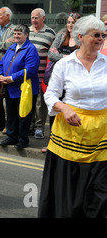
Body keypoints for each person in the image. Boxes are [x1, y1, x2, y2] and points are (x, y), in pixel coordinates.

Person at [39, 15, 107, 218]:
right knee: (71, 200)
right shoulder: (65, 65)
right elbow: (50, 94)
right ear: (80, 36)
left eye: (103, 35)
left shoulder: (106, 63)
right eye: (96, 35)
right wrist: (65, 108)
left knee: (100, 196)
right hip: (71, 136)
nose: (101, 39)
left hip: (101, 135)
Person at [0, 24, 40, 150]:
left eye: (19, 34)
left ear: (26, 35)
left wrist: (11, 78)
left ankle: (23, 139)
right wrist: (0, 75)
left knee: (23, 115)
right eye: (15, 34)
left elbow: (31, 70)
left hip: (24, 89)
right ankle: (12, 137)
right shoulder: (11, 47)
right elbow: (1, 64)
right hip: (10, 88)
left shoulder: (31, 49)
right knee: (11, 114)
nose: (16, 36)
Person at [29, 8, 56, 139]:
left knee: (40, 103)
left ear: (43, 18)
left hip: (42, 75)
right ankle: (30, 124)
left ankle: (39, 128)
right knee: (28, 101)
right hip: (27, 75)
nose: (34, 20)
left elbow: (53, 54)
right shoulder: (26, 31)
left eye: (36, 18)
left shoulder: (51, 33)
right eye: (32, 18)